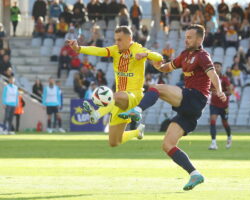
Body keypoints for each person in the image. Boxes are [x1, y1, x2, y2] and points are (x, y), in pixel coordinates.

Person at [119, 24, 226, 190]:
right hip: (188, 108)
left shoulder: (203, 56)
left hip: (195, 98)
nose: (186, 39)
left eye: (190, 37)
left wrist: (219, 91)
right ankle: (195, 174)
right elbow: (165, 68)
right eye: (186, 36)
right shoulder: (184, 55)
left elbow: (213, 75)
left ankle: (137, 111)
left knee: (157, 88)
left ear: (199, 39)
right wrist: (151, 60)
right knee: (167, 145)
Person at [67, 26, 163, 147]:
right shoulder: (115, 50)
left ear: (129, 39)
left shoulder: (137, 49)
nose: (117, 43)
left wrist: (146, 54)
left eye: (120, 40)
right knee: (114, 141)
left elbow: (159, 57)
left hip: (134, 97)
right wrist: (78, 48)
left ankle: (96, 114)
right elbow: (98, 50)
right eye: (116, 39)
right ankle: (137, 132)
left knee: (113, 95)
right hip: (119, 100)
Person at [208, 62, 232, 150]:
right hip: (214, 104)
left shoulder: (225, 79)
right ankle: (213, 143)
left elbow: (230, 92)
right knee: (212, 121)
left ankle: (229, 137)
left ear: (221, 68)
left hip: (224, 105)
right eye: (215, 67)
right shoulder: (210, 78)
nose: (216, 68)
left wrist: (221, 93)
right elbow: (208, 88)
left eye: (218, 67)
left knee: (224, 122)